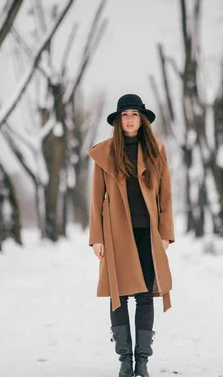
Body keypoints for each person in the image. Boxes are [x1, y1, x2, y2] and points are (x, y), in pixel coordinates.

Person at [87, 93, 175, 377]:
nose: (129, 120)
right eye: (125, 115)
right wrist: (96, 238)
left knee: (146, 295)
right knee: (119, 295)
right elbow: (96, 199)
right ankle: (125, 360)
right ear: (118, 120)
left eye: (134, 114)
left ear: (142, 119)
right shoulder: (104, 153)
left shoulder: (156, 151)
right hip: (115, 234)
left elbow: (166, 196)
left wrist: (165, 233)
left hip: (148, 234)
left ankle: (143, 361)